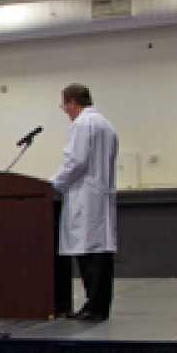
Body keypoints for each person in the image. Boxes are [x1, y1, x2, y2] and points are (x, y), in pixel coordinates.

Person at [51, 83, 118, 321]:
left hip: (85, 197)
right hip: (101, 194)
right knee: (100, 252)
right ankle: (99, 305)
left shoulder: (82, 124)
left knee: (89, 255)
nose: (66, 112)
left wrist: (52, 184)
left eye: (64, 106)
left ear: (72, 102)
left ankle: (93, 307)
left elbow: (75, 162)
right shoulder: (106, 125)